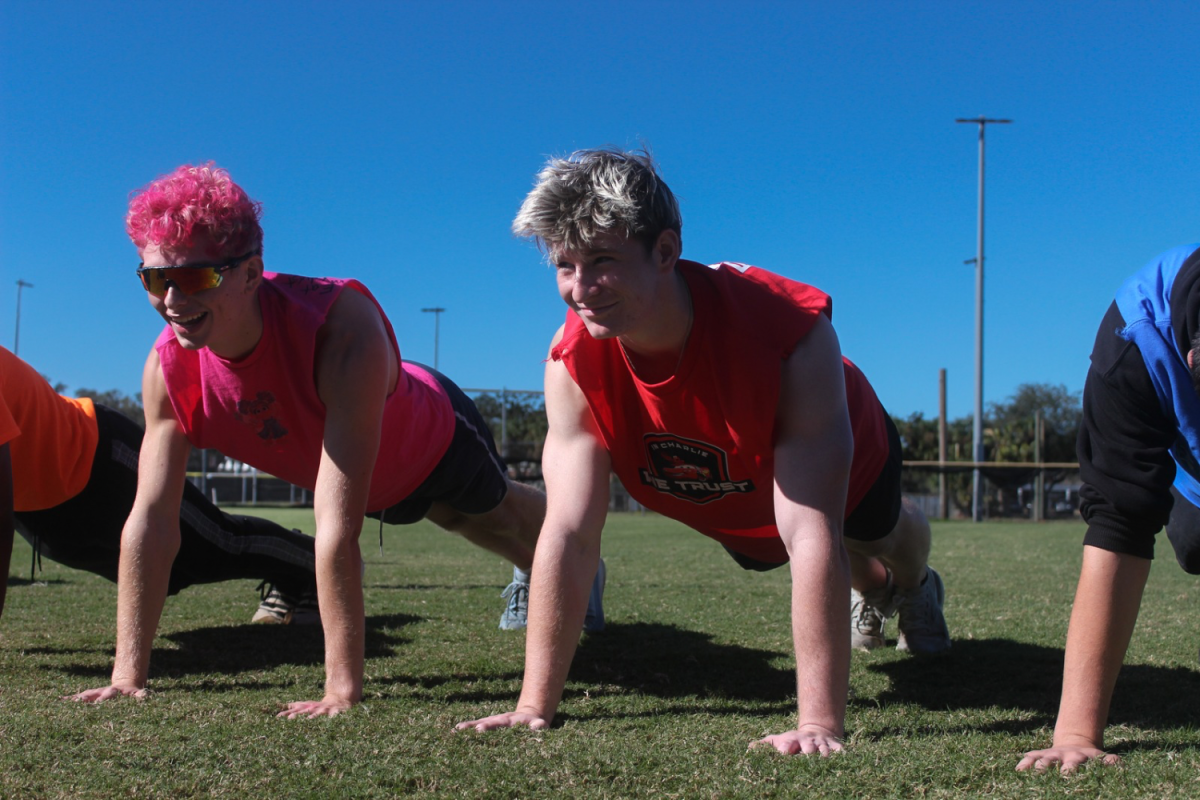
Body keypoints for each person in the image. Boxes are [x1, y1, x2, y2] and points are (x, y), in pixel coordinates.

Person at [456, 148, 950, 755]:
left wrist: (818, 724)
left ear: (665, 252)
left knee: (876, 534)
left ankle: (918, 586)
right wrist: (534, 706)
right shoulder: (574, 362)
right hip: (730, 496)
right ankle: (873, 592)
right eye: (565, 265)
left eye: (603, 260)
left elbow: (811, 528)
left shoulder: (787, 330)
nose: (579, 290)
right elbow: (568, 533)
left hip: (850, 459)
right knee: (796, 556)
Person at [70, 163, 602, 718]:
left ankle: (572, 559)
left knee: (487, 516)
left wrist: (340, 691)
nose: (173, 299)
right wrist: (127, 674)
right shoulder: (167, 369)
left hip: (433, 435)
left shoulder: (339, 326)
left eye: (197, 277)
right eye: (156, 279)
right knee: (448, 518)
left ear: (251, 273)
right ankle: (549, 565)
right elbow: (152, 520)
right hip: (378, 488)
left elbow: (335, 529)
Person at [1018, 243, 1200, 773]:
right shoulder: (1137, 335)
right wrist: (1077, 732)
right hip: (1184, 447)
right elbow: (1118, 521)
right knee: (1193, 542)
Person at [0, 345, 318, 626]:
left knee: (217, 545)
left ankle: (316, 563)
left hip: (97, 456)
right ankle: (291, 573)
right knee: (170, 576)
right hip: (38, 505)